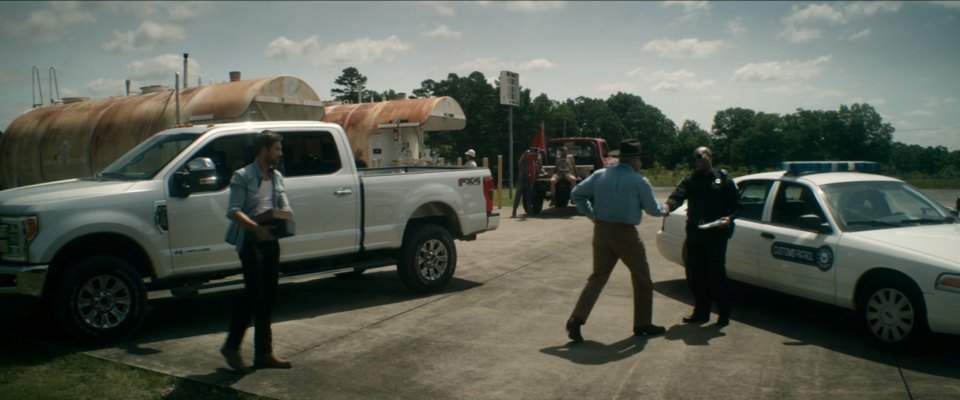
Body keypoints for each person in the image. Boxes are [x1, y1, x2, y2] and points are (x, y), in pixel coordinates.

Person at [566, 140, 668, 343]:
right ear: (634, 160)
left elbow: (576, 194)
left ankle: (576, 319)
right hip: (625, 232)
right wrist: (666, 208)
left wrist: (591, 214)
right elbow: (653, 209)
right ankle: (642, 324)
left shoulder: (600, 175)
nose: (641, 163)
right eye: (639, 159)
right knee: (642, 278)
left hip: (601, 229)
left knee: (598, 277)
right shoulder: (639, 180)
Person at [221, 130, 295, 372]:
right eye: (277, 149)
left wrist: (285, 216)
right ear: (264, 150)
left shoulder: (277, 176)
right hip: (250, 239)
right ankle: (231, 347)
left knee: (269, 296)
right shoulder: (242, 176)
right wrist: (256, 229)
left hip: (271, 239)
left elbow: (283, 205)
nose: (280, 153)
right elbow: (233, 211)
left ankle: (264, 353)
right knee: (253, 293)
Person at [664, 146, 739, 327]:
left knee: (717, 274)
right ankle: (701, 313)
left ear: (711, 157)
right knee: (696, 274)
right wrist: (667, 206)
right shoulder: (690, 180)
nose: (701, 159)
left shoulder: (723, 179)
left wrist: (729, 218)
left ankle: (724, 314)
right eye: (697, 157)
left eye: (704, 155)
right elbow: (677, 196)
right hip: (695, 232)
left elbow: (738, 205)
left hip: (716, 233)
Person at [512, 147, 543, 218]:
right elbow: (527, 153)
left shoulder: (533, 161)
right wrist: (535, 152)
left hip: (529, 180)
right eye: (534, 154)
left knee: (529, 197)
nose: (536, 156)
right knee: (518, 196)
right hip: (522, 179)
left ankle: (529, 211)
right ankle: (514, 211)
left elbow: (537, 168)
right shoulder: (524, 158)